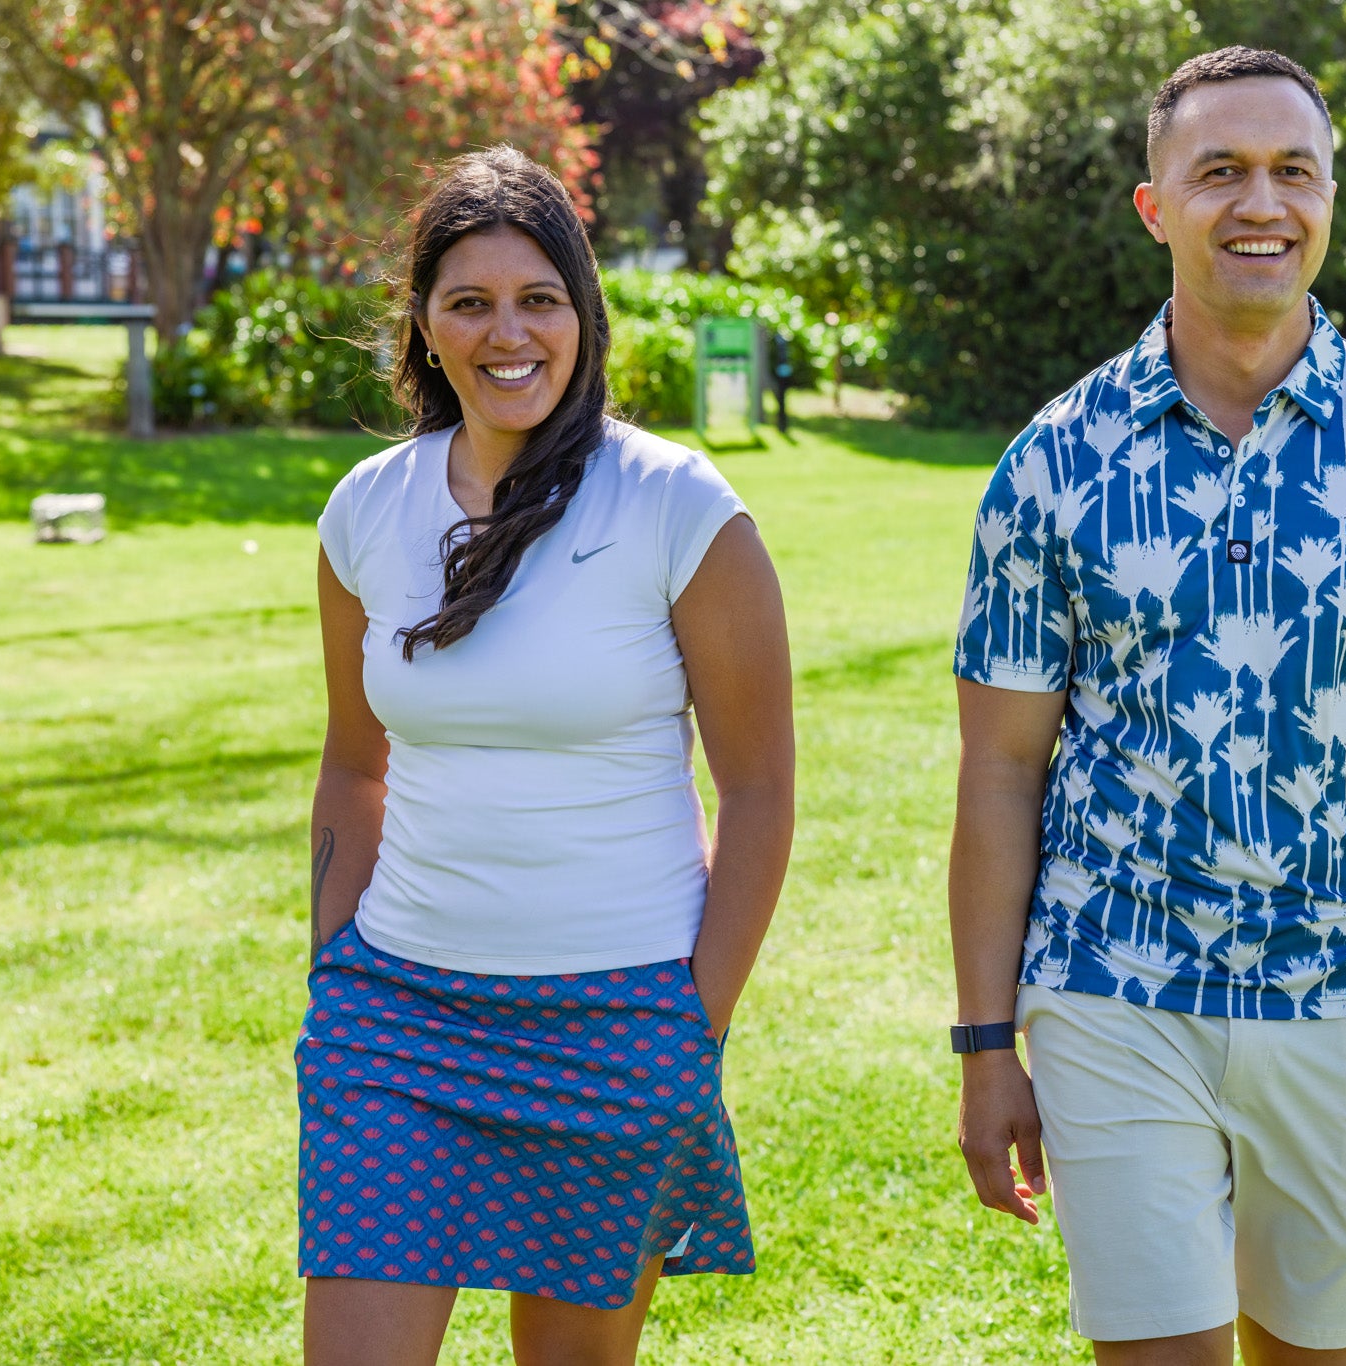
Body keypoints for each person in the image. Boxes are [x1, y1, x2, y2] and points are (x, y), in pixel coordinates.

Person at [948, 47, 1346, 1366]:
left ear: (1332, 197)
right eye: (1220, 170)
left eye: (1295, 171)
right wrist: (986, 1040)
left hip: (1343, 996)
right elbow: (1001, 771)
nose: (1262, 203)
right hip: (1113, 984)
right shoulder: (1053, 466)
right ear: (1154, 205)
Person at [299, 145, 793, 1366]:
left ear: (583, 315)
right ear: (424, 325)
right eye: (468, 301)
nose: (505, 333)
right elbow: (352, 765)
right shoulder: (366, 509)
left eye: (538, 299)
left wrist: (696, 1019)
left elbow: (761, 786)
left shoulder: (678, 507)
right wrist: (331, 965)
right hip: (396, 1020)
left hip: (616, 1019)